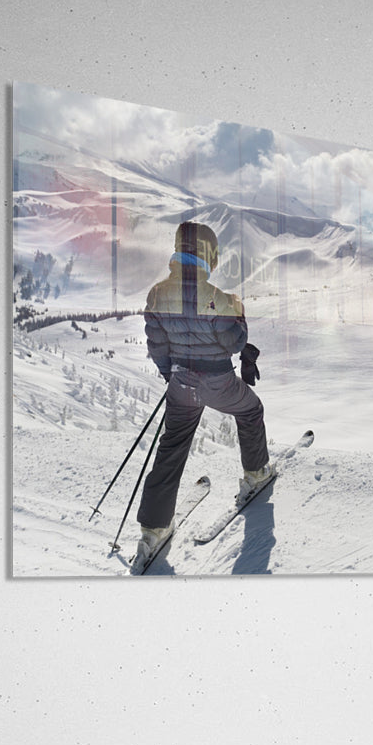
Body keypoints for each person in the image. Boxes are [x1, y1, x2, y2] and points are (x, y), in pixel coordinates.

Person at [135, 221, 269, 565]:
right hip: (218, 382)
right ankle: (255, 475)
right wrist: (239, 314)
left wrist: (172, 375)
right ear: (208, 256)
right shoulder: (217, 299)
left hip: (181, 382)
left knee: (172, 444)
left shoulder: (156, 293)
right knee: (250, 410)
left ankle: (153, 530)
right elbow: (233, 342)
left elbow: (157, 344)